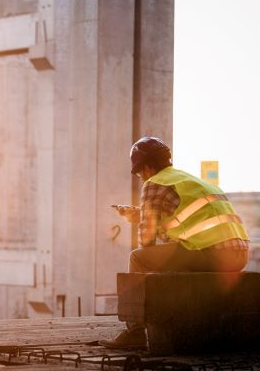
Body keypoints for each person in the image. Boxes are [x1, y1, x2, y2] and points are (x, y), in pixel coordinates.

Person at [99, 136, 250, 349]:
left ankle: (135, 332)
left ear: (148, 167)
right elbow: (187, 223)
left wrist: (144, 222)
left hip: (210, 253)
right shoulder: (189, 180)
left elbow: (147, 242)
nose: (141, 178)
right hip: (238, 254)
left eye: (140, 172)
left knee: (138, 258)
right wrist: (140, 214)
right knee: (170, 258)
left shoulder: (154, 183)